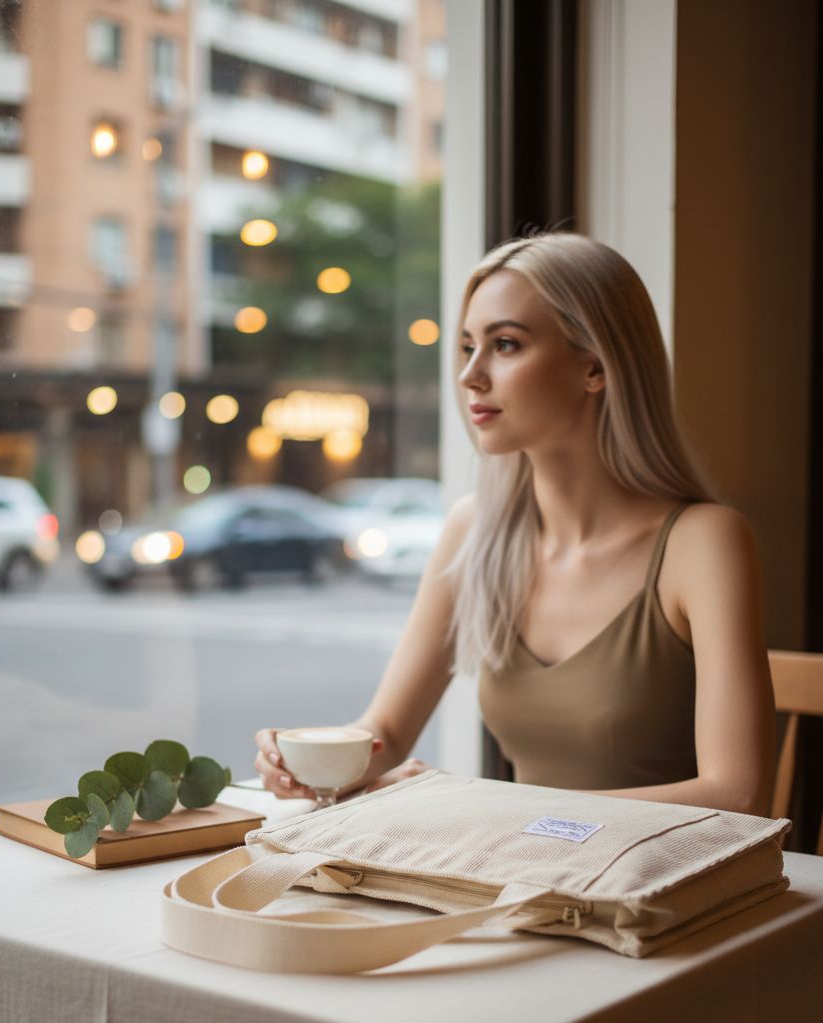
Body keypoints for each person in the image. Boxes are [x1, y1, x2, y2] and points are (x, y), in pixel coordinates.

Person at [256, 232, 775, 815]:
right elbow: (388, 734)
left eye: (505, 345)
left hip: (665, 887)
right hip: (525, 879)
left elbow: (738, 795)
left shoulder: (703, 543)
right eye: (467, 346)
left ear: (596, 368)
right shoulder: (473, 531)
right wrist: (305, 762)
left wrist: (479, 806)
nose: (470, 375)